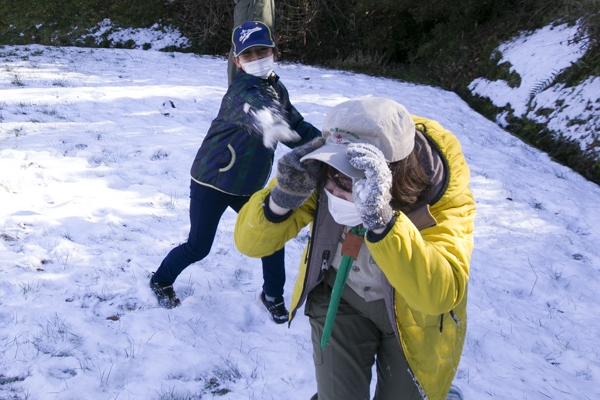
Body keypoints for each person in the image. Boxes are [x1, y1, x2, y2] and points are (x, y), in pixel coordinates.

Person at [234, 97, 475, 399]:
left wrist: (383, 221)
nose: (331, 190)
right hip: (341, 298)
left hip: (416, 320)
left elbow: (441, 293)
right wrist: (281, 199)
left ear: (392, 176)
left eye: (348, 182)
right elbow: (249, 242)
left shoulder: (442, 185)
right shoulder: (321, 173)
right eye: (330, 175)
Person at [150, 21, 321, 325]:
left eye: (262, 51)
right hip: (213, 180)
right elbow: (258, 109)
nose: (256, 58)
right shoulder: (240, 90)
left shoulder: (276, 89)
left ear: (275, 52)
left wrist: (325, 144)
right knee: (198, 246)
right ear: (236, 60)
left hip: (248, 184)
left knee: (271, 236)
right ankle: (160, 280)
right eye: (248, 54)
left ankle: (272, 295)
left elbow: (296, 123)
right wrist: (272, 123)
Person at [228, 0, 275, 85]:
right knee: (243, 52)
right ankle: (238, 96)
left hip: (264, 10)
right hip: (251, 9)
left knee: (263, 62)